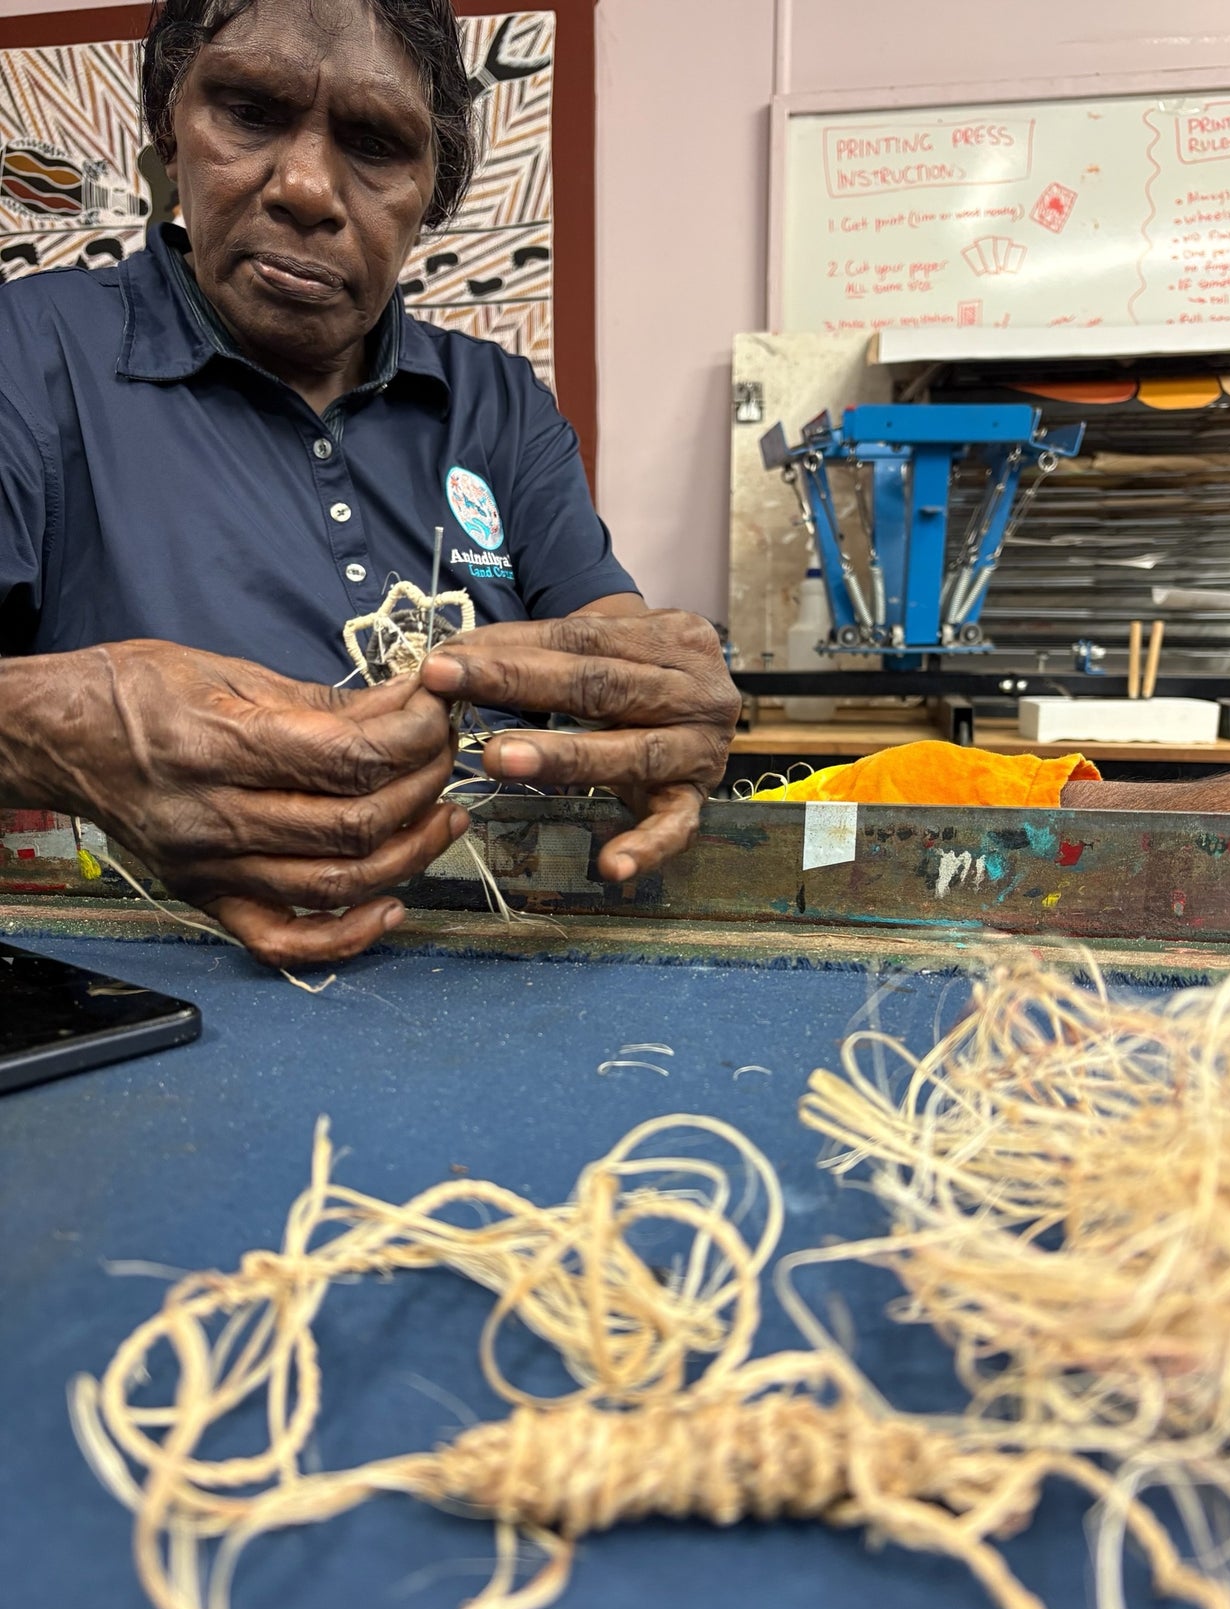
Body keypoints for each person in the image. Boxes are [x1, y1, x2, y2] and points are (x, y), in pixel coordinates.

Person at [0, 0, 740, 969]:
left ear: (431, 199)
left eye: (376, 143)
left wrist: (660, 709)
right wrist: (46, 721)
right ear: (168, 139)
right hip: (139, 990)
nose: (306, 187)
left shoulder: (495, 401)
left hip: (495, 991)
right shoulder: (27, 352)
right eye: (249, 112)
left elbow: (607, 646)